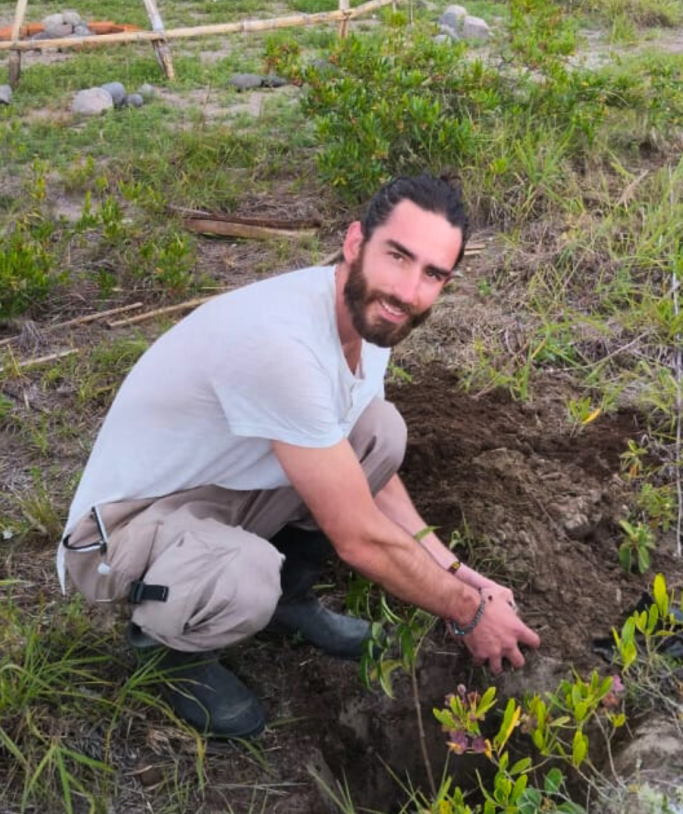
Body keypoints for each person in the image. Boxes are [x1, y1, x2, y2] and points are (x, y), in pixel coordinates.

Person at [58, 173, 540, 738]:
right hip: (121, 530)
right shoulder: (284, 344)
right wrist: (469, 612)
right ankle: (168, 650)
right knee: (245, 577)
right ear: (355, 242)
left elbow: (372, 484)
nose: (409, 292)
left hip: (218, 489)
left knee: (379, 432)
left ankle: (287, 602)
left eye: (432, 273)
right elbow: (357, 535)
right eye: (398, 256)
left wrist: (458, 571)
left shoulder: (369, 320)